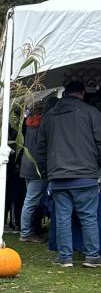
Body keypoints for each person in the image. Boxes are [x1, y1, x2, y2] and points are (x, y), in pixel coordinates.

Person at [36, 81, 101, 267]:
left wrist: (47, 172)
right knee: (89, 217)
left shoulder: (49, 116)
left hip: (58, 175)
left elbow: (41, 148)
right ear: (82, 93)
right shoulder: (91, 113)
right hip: (85, 175)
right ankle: (92, 256)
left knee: (62, 217)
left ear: (65, 93)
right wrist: (95, 165)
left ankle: (65, 257)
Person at [19, 99, 53, 242]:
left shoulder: (28, 124)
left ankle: (29, 229)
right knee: (31, 201)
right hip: (37, 167)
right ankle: (26, 232)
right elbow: (42, 148)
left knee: (30, 200)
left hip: (27, 165)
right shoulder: (42, 125)